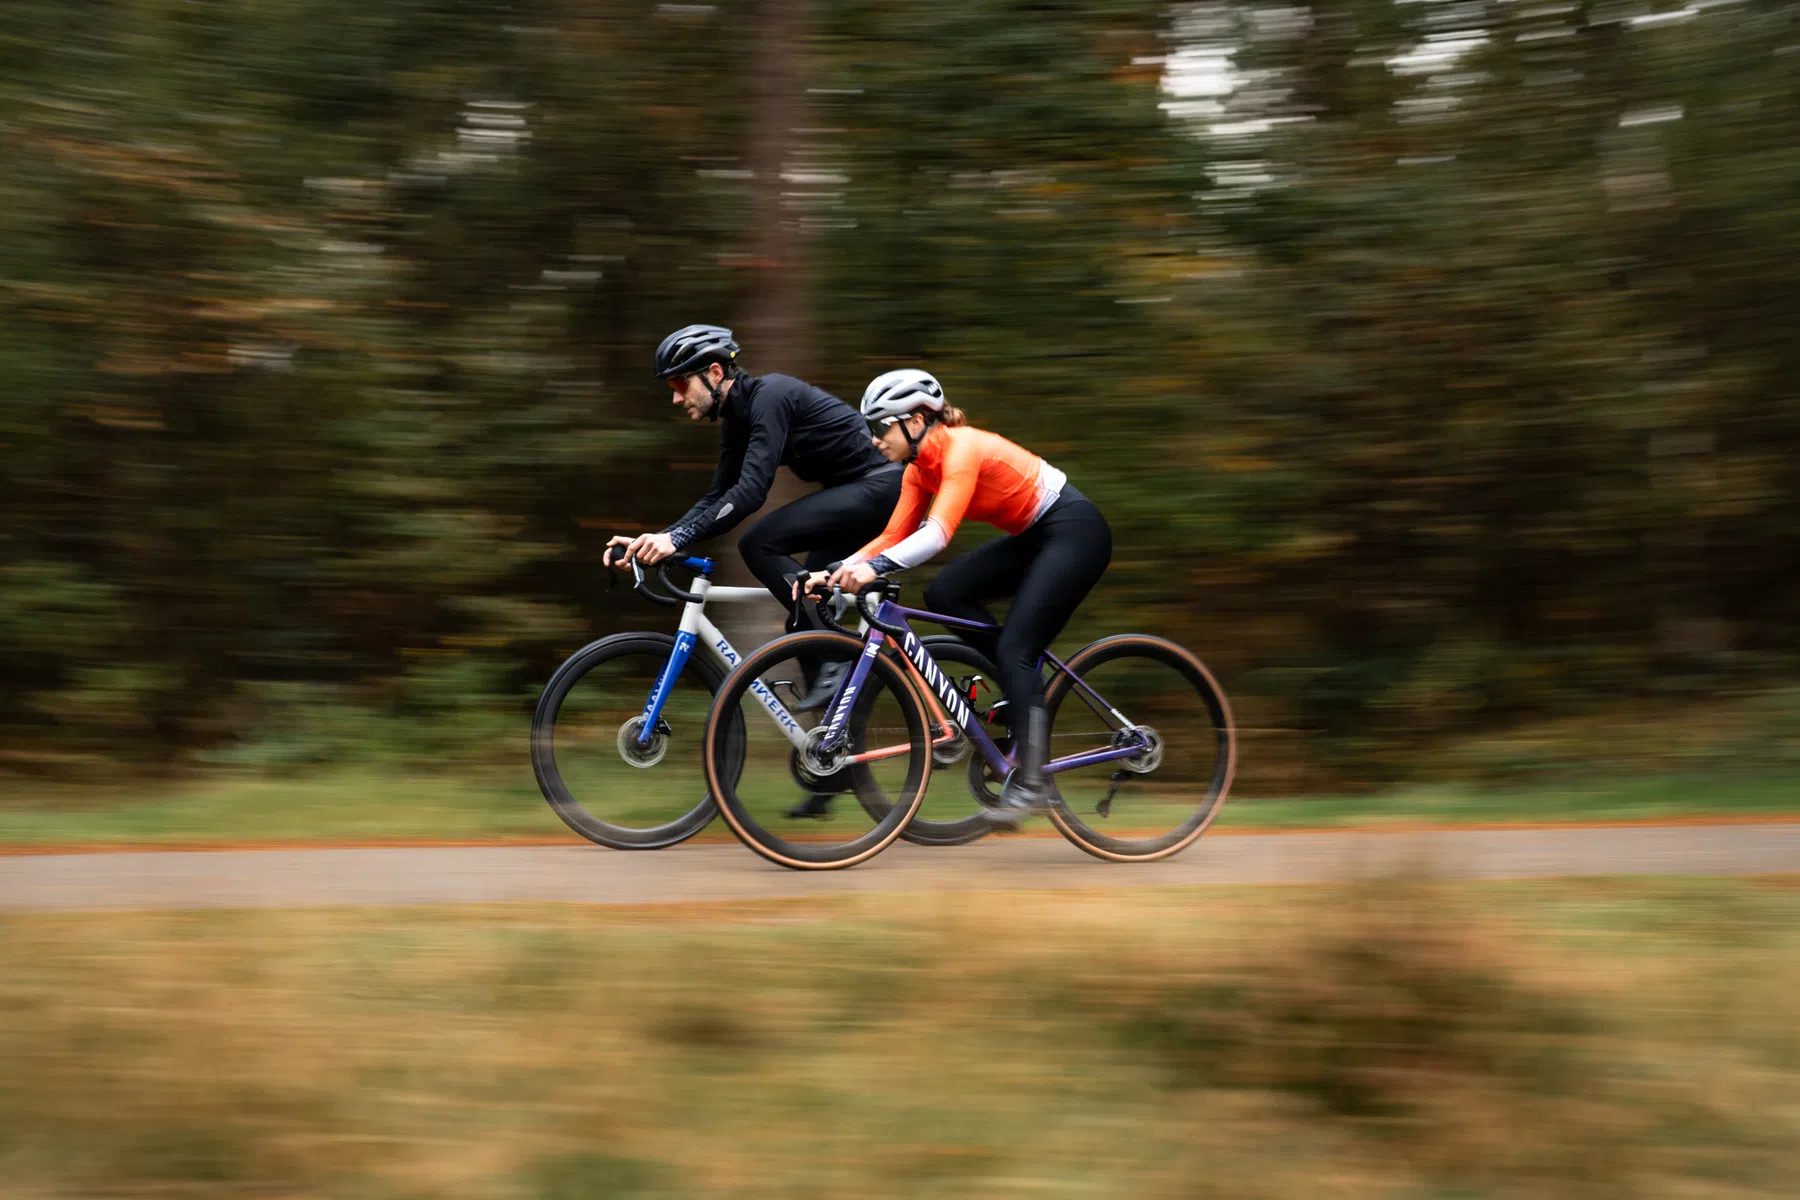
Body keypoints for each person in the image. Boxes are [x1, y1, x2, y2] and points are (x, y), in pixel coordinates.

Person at [802, 369, 1112, 818]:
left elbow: (937, 535)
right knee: (946, 592)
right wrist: (833, 572)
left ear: (915, 420)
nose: (873, 440)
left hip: (1075, 531)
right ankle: (1018, 683)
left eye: (880, 426)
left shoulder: (962, 447)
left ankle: (1033, 777)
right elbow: (892, 536)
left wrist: (871, 569)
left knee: (1016, 648)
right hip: (1035, 536)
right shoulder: (917, 469)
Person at [608, 325, 904, 712]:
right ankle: (832, 754)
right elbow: (718, 495)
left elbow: (749, 494)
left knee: (759, 544)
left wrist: (677, 539)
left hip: (882, 488)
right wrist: (659, 538)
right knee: (803, 624)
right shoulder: (737, 417)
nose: (677, 399)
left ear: (715, 373)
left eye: (680, 385)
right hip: (853, 499)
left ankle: (841, 660)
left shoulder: (771, 396)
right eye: (672, 389)